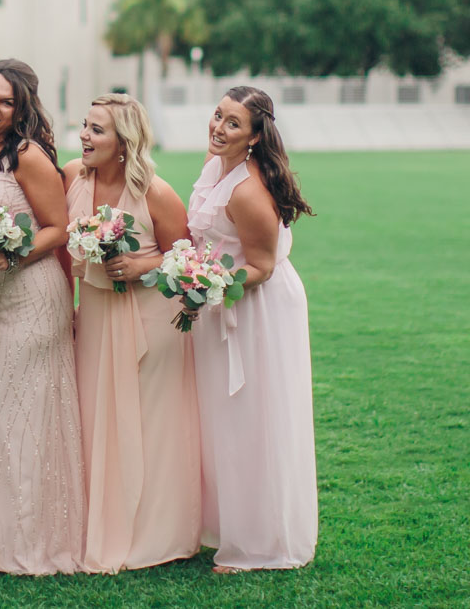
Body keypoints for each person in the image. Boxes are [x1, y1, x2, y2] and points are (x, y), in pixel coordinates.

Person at [0, 58, 85, 575]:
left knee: (27, 417)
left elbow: (58, 228)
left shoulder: (26, 156)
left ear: (21, 108)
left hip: (32, 296)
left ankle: (33, 540)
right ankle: (0, 532)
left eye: (6, 101)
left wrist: (13, 254)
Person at [62, 94, 202, 573]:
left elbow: (184, 255)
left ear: (124, 143)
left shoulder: (155, 193)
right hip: (98, 314)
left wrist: (142, 261)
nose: (84, 136)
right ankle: (100, 523)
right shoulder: (71, 179)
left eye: (96, 130)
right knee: (97, 417)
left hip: (149, 319)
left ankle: (157, 534)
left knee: (151, 423)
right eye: (84, 126)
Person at [189, 86, 319, 573]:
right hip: (220, 303)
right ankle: (229, 524)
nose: (218, 128)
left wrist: (205, 283)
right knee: (223, 420)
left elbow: (261, 265)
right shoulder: (215, 163)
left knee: (255, 419)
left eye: (232, 124)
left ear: (255, 137)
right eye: (218, 116)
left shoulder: (248, 189)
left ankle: (263, 544)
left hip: (257, 310)